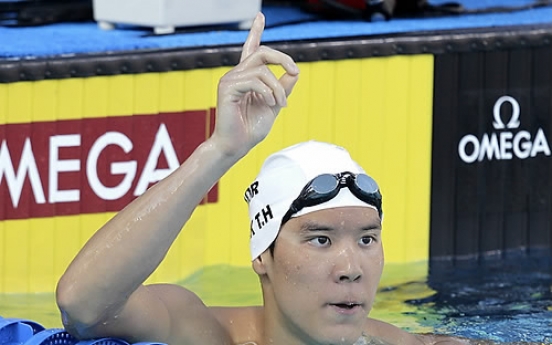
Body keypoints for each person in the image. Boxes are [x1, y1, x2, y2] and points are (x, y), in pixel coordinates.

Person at [56, 12, 469, 345]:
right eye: (320, 239)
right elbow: (83, 308)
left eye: (367, 239)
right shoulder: (205, 334)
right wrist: (221, 150)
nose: (351, 269)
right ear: (262, 256)